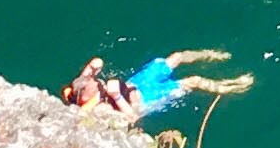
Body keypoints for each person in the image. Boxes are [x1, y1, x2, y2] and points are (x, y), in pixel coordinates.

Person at [65, 51, 251, 125]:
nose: (99, 83)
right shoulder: (100, 108)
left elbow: (94, 64)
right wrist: (116, 96)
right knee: (193, 81)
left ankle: (211, 55)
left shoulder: (80, 85)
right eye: (95, 85)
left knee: (176, 57)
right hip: (148, 99)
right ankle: (232, 86)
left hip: (138, 83)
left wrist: (94, 67)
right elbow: (133, 118)